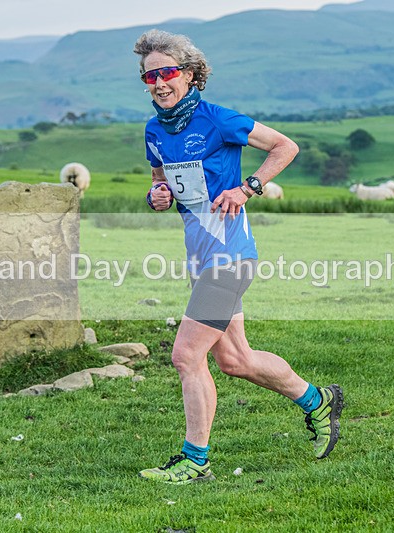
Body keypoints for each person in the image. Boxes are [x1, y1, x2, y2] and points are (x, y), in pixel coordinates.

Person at [133, 29, 343, 485]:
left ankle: (195, 461)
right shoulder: (154, 130)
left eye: (167, 72)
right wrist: (158, 195)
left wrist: (249, 187)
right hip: (201, 256)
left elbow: (286, 146)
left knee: (187, 356)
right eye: (150, 77)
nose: (159, 83)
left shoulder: (219, 119)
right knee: (235, 360)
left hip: (231, 256)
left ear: (189, 74)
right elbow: (158, 180)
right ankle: (318, 401)